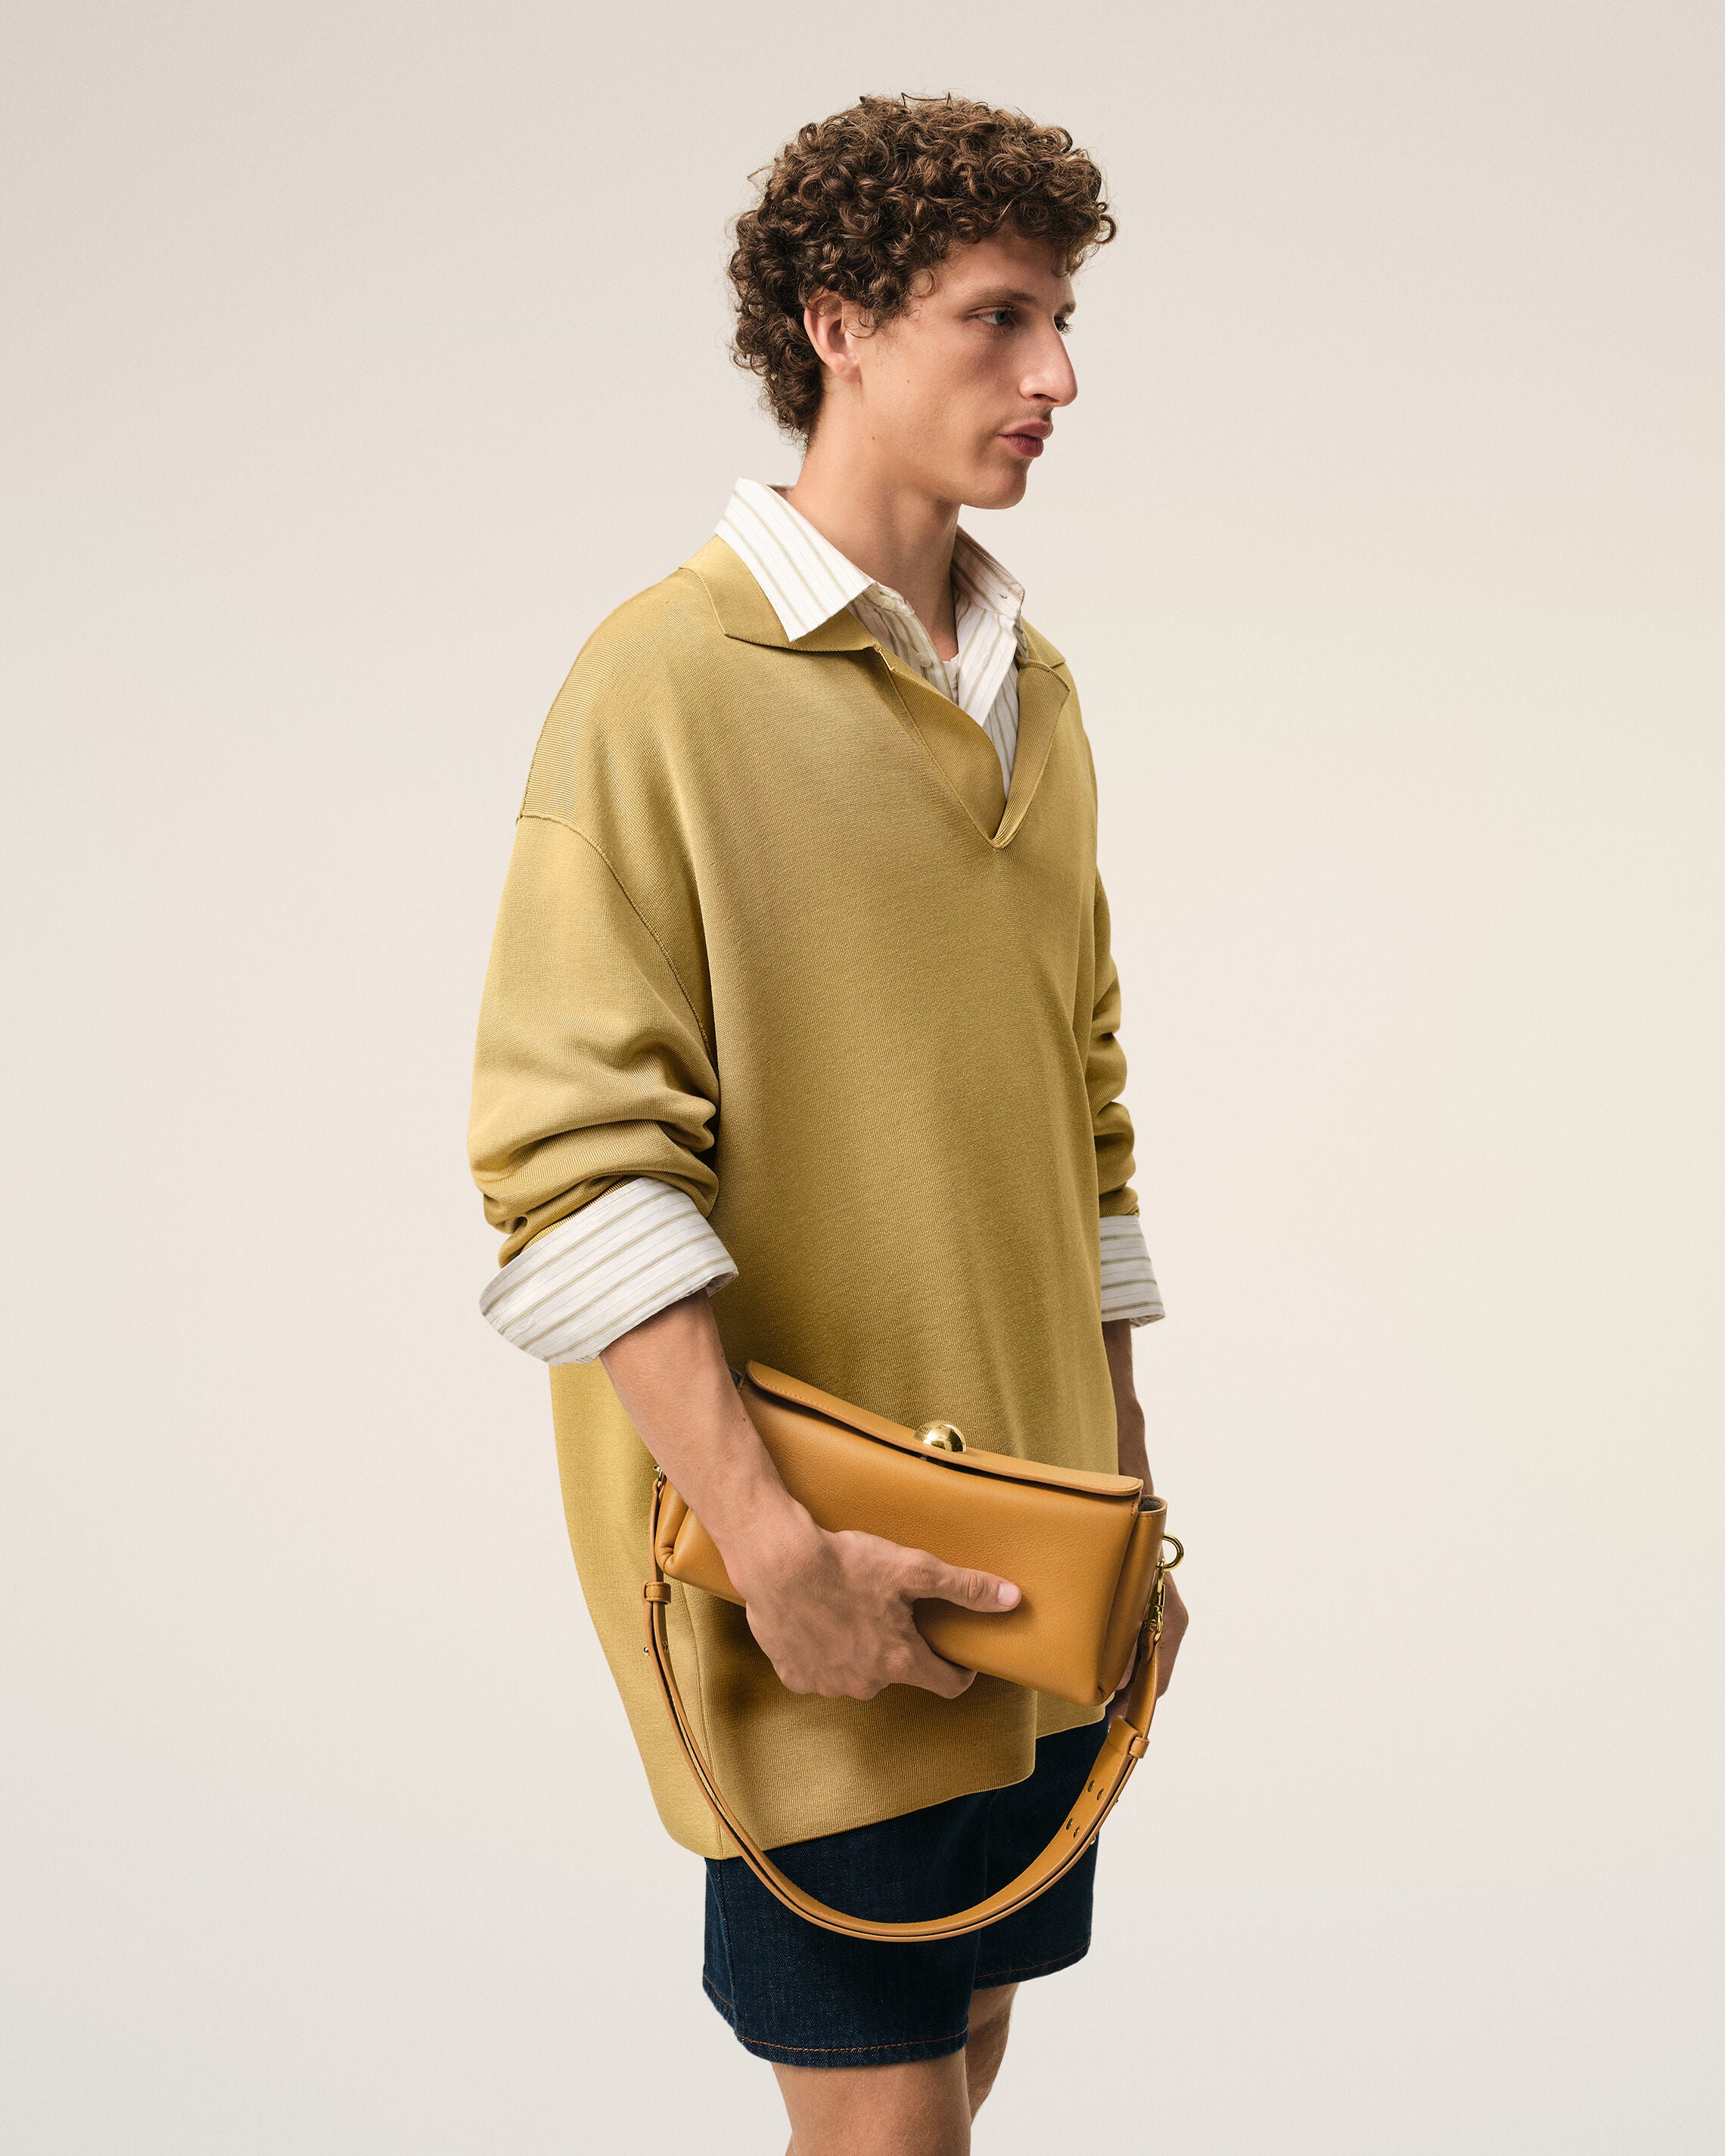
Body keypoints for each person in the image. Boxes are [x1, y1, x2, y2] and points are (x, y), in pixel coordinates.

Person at [468, 92, 1189, 2156]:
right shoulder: (663, 684)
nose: (1056, 378)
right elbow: (574, 1166)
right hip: (813, 1559)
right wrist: (777, 1553)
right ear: (841, 326)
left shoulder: (1035, 689)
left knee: (963, 2051)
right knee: (886, 2122)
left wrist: (1130, 1497)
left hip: (1033, 1560)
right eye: (998, 319)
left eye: (1062, 321)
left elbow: (1084, 1113)